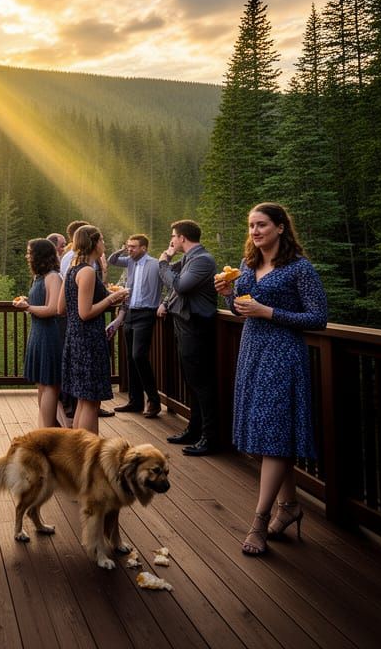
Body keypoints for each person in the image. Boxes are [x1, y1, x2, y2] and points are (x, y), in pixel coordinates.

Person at [214, 203, 327, 557]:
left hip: (283, 355)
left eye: (261, 225)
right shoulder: (248, 265)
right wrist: (229, 296)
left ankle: (260, 521)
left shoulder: (299, 268)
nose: (255, 231)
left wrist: (269, 312)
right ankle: (289, 506)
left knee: (276, 435)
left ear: (280, 228)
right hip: (252, 352)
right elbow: (240, 308)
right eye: (250, 226)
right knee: (267, 435)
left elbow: (319, 317)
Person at [158, 220, 219, 455]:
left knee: (202, 384)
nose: (172, 240)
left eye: (174, 236)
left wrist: (164, 260)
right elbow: (172, 278)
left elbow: (180, 285)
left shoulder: (203, 260)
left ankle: (209, 437)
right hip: (185, 325)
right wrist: (165, 302)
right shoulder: (189, 259)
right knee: (192, 381)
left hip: (197, 327)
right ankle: (194, 430)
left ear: (182, 237)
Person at [60, 225, 127, 434]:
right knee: (90, 401)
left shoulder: (72, 269)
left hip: (74, 338)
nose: (104, 244)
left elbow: (61, 308)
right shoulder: (87, 271)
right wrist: (110, 299)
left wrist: (109, 298)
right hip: (89, 340)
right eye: (102, 240)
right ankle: (90, 451)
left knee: (83, 399)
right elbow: (85, 313)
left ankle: (79, 452)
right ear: (93, 243)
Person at [107, 233, 165, 418]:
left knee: (139, 355)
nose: (130, 249)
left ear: (144, 248)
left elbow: (170, 285)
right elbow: (112, 260)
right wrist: (123, 249)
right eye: (128, 246)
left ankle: (154, 401)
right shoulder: (130, 261)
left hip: (147, 313)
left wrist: (165, 303)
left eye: (133, 246)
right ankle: (135, 401)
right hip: (129, 313)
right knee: (130, 359)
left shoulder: (155, 264)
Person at [13, 237, 64, 427]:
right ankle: (44, 428)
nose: (28, 256)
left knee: (49, 384)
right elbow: (41, 303)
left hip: (50, 334)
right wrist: (28, 302)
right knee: (43, 384)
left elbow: (53, 309)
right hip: (38, 333)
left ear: (40, 255)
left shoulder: (52, 277)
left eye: (30, 252)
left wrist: (27, 307)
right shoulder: (39, 278)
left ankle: (46, 429)